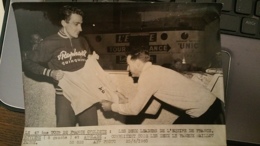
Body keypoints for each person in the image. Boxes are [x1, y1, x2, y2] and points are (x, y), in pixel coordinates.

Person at [101, 49, 225, 124]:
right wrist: (127, 102)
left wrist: (111, 107)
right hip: (212, 107)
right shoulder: (155, 70)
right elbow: (154, 108)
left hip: (207, 112)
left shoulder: (148, 76)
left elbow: (134, 110)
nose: (127, 69)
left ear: (138, 63)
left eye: (128, 64)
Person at [23, 5, 99, 127]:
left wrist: (93, 60)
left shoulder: (82, 41)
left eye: (81, 24)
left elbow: (88, 67)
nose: (80, 28)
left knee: (93, 135)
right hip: (64, 97)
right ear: (64, 23)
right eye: (76, 24)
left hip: (86, 94)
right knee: (64, 136)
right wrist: (50, 73)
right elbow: (27, 62)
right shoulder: (49, 43)